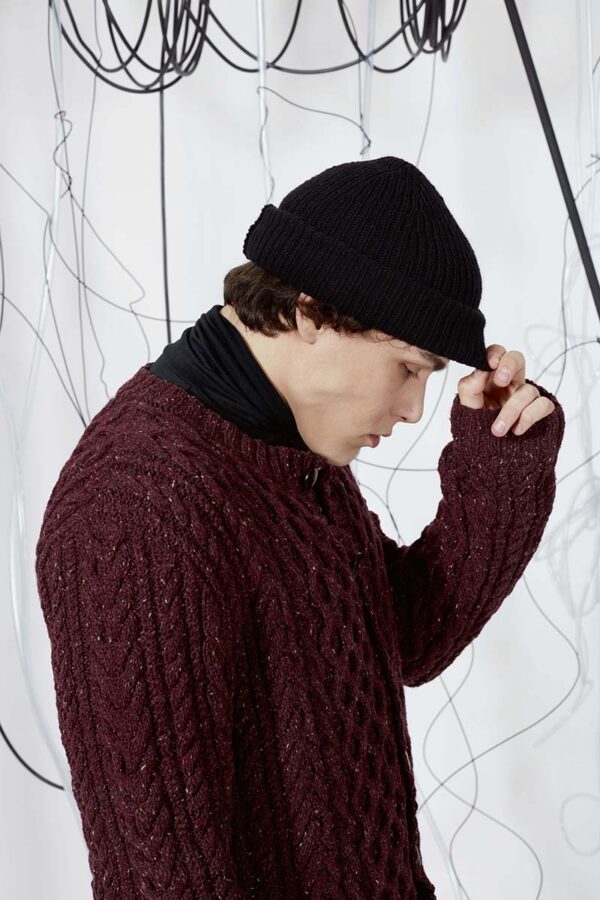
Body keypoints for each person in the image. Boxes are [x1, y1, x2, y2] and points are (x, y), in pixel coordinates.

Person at [35, 157, 565, 898]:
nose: (415, 410)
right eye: (409, 368)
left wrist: (500, 464)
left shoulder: (283, 447)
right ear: (311, 314)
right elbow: (162, 882)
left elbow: (408, 636)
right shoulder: (138, 508)